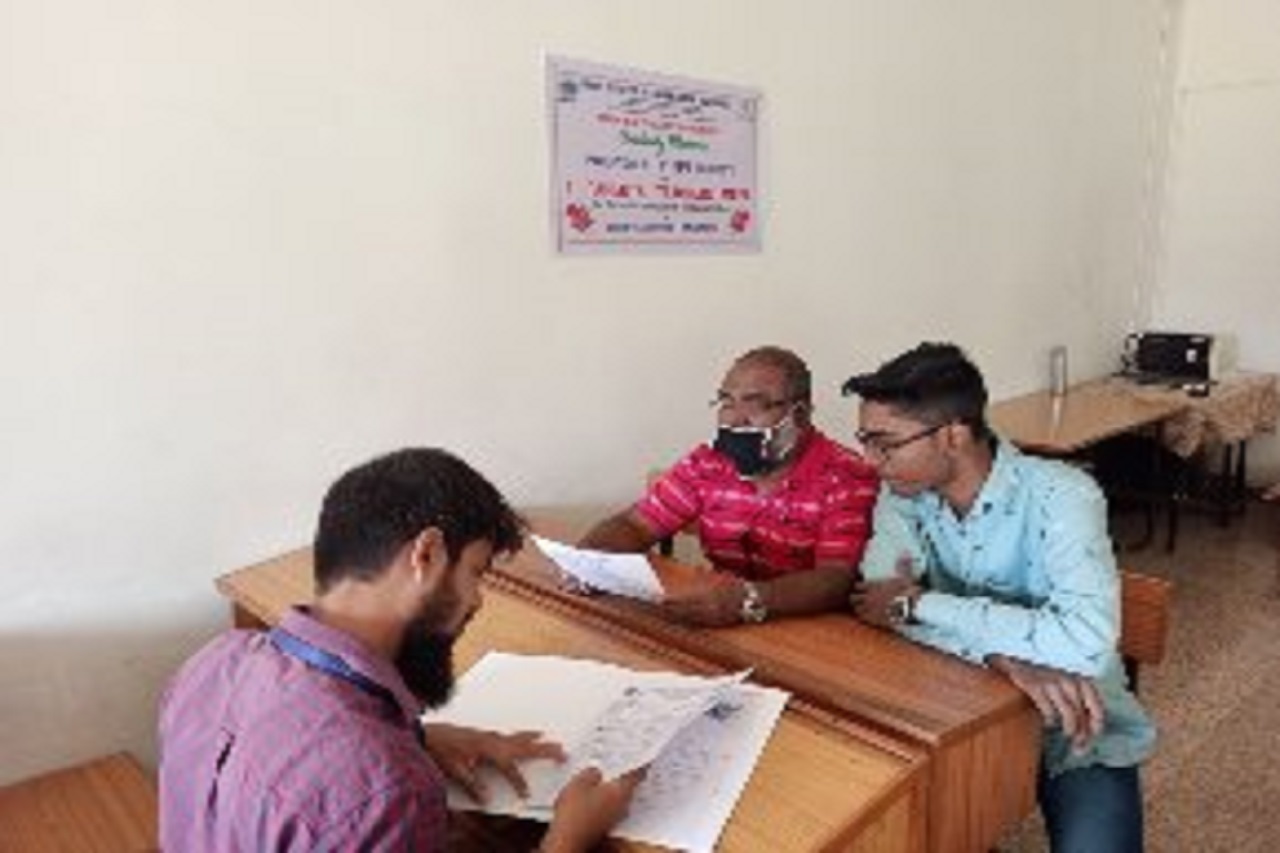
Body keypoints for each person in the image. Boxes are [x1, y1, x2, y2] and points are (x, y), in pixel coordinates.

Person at [159, 448, 642, 852]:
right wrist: (568, 838)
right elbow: (356, 785)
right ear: (426, 555)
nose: (476, 601)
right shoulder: (391, 792)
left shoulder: (215, 661)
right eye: (475, 573)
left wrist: (420, 738)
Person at [842, 343, 1154, 853]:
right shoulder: (903, 494)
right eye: (866, 441)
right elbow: (880, 604)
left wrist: (922, 605)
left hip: (1074, 717)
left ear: (953, 435)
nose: (871, 461)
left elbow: (1086, 642)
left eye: (886, 444)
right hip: (953, 713)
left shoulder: (1063, 496)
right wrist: (1003, 659)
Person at [580, 346, 879, 627]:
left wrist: (749, 601)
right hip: (724, 619)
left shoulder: (848, 476)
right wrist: (589, 562)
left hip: (812, 627)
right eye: (726, 403)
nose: (735, 420)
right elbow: (635, 524)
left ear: (799, 414)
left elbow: (836, 578)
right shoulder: (708, 463)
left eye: (754, 404)